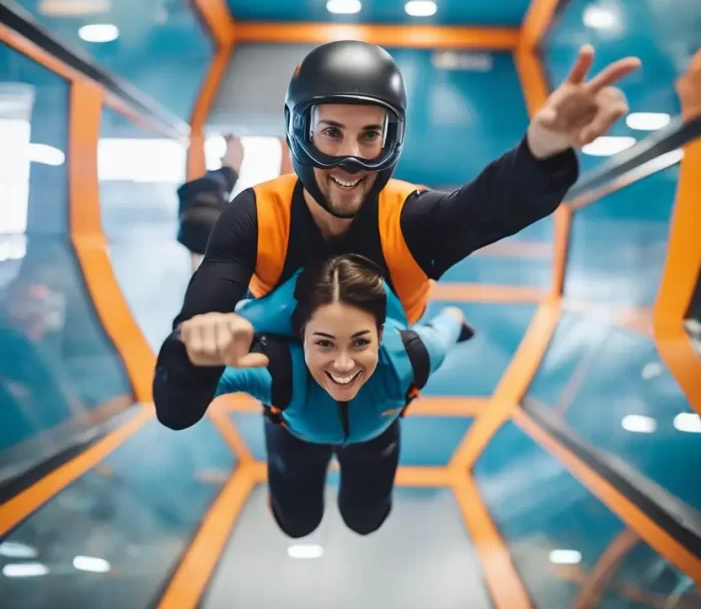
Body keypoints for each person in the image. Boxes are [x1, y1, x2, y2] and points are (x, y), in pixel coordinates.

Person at [154, 39, 639, 433]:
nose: (351, 158)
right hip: (300, 381)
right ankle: (221, 172)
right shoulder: (256, 216)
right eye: (332, 133)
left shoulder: (411, 221)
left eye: (371, 135)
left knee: (366, 511)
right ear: (298, 131)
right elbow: (176, 402)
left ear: (395, 138)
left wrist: (546, 146)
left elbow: (491, 206)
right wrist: (195, 348)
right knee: (298, 510)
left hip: (368, 383)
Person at [162, 253, 474, 536]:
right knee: (297, 524)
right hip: (306, 439)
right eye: (324, 343)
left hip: (345, 437)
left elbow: (447, 326)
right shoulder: (277, 366)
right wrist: (188, 358)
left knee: (365, 519)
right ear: (301, 338)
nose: (343, 365)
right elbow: (177, 407)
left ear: (380, 335)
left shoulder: (413, 355)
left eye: (360, 343)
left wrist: (456, 319)